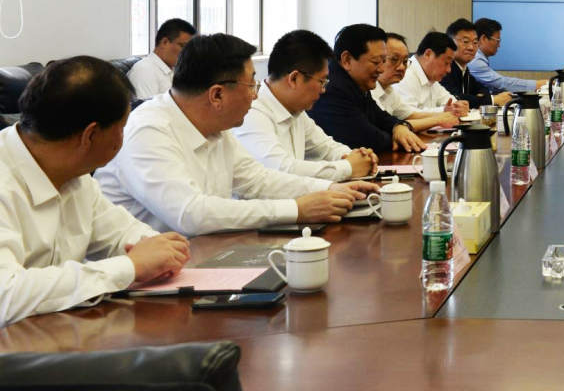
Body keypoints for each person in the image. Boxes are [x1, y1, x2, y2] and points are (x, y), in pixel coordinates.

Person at [96, 34, 380, 236]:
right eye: (251, 86)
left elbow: (258, 180)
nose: (256, 96)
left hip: (199, 258)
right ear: (217, 95)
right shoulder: (149, 130)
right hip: (137, 286)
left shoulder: (216, 128)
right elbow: (191, 214)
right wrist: (295, 209)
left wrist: (328, 189)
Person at [0, 57, 191, 326]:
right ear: (90, 135)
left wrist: (158, 249)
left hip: (59, 334)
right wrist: (130, 266)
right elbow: (6, 295)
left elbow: (122, 233)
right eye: (122, 128)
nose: (123, 138)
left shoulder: (74, 173)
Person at [233, 30, 378, 181]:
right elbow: (282, 169)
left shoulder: (296, 110)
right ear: (294, 79)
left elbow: (327, 147)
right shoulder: (251, 111)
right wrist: (348, 167)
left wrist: (356, 157)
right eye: (322, 81)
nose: (323, 89)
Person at [308, 24, 427, 152]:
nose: (381, 69)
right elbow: (369, 140)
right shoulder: (333, 89)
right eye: (376, 62)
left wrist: (399, 127)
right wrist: (396, 137)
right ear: (347, 60)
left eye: (383, 61)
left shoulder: (357, 81)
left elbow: (381, 117)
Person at [372, 32, 461, 130]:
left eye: (405, 61)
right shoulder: (370, 90)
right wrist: (438, 119)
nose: (401, 67)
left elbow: (410, 114)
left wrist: (444, 114)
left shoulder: (389, 90)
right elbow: (388, 126)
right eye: (394, 59)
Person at [441, 19, 513, 108]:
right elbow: (454, 98)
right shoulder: (444, 69)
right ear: (450, 42)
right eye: (465, 42)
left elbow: (482, 89)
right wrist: (493, 100)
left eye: (475, 43)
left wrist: (479, 98)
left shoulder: (464, 69)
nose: (471, 47)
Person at [394, 32, 469, 116]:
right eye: (446, 62)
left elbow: (449, 101)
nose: (449, 70)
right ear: (428, 54)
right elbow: (407, 114)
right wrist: (443, 111)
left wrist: (458, 106)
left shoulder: (431, 77)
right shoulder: (405, 75)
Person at [468, 18, 547, 95]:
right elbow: (503, 83)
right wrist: (536, 85)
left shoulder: (479, 58)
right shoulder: (475, 61)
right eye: (497, 41)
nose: (499, 45)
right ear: (483, 39)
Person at [127, 18, 196, 100]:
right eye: (184, 46)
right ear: (164, 42)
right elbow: (146, 107)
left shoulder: (174, 70)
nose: (187, 52)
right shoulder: (145, 70)